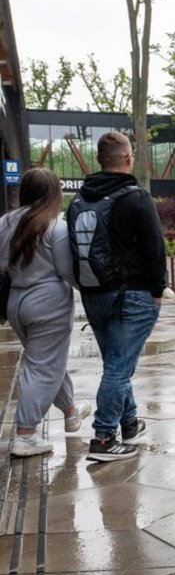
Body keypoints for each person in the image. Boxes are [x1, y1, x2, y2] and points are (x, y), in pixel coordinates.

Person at [66, 130, 166, 462]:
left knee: (115, 364)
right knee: (119, 369)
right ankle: (104, 437)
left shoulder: (79, 201)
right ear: (127, 159)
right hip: (132, 296)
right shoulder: (136, 198)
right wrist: (157, 290)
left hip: (93, 295)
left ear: (99, 161)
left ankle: (130, 421)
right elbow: (154, 247)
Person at [0, 168, 89, 457]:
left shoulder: (5, 222)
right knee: (42, 367)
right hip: (49, 304)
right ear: (53, 193)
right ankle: (26, 435)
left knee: (45, 362)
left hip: (16, 303)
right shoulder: (55, 227)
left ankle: (71, 411)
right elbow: (66, 271)